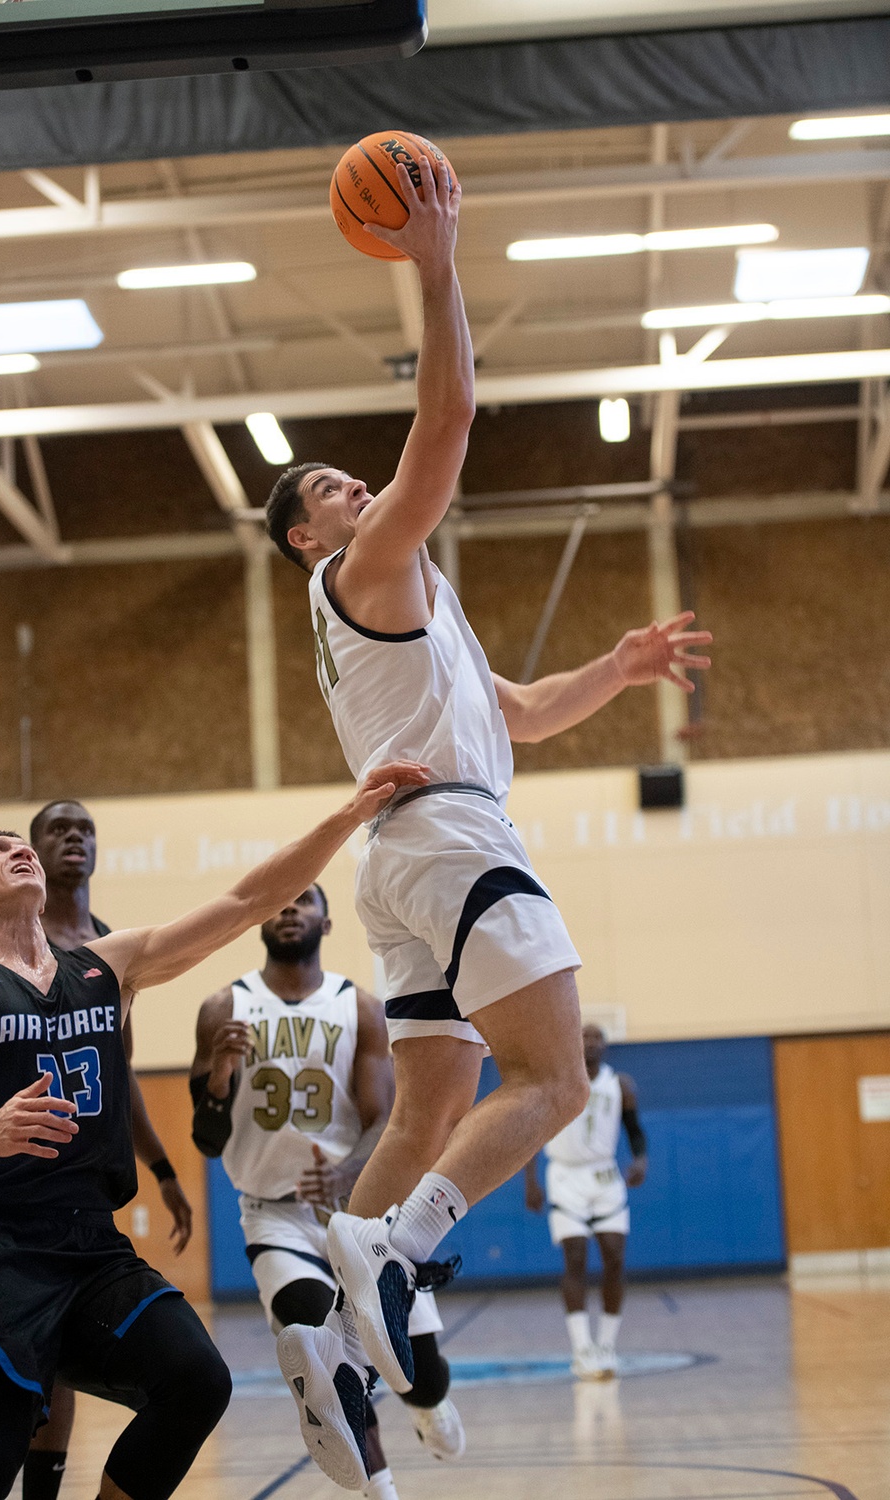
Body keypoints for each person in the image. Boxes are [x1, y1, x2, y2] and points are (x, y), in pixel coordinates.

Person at [263, 142, 711, 1484]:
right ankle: (393, 1259)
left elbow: (517, 712)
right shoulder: (369, 563)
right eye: (330, 488)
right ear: (305, 540)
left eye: (356, 477)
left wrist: (620, 674)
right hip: (454, 843)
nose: (356, 486)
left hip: (404, 859)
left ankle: (345, 1336)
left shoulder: (407, 605)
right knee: (557, 1079)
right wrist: (437, 263)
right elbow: (447, 430)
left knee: (427, 1103)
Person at [0, 759, 427, 1500]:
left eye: (24, 844)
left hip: (91, 1247)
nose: (19, 849)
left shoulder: (109, 965)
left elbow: (245, 901)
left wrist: (346, 816)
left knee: (197, 1381)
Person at [0, 798, 193, 1500]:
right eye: (54, 829)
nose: (70, 840)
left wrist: (163, 1167)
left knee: (113, 1375)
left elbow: (117, 1085)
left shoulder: (103, 955)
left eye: (84, 829)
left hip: (84, 1227)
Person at [190, 884, 464, 1495]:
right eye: (279, 901)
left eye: (304, 900)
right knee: (326, 1359)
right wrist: (220, 1079)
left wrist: (347, 1173)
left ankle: (426, 1404)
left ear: (327, 919)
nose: (289, 908)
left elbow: (384, 1118)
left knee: (425, 1377)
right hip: (275, 1217)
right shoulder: (222, 1008)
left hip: (363, 1210)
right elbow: (206, 1140)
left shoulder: (359, 1006)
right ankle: (380, 1490)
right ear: (262, 918)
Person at [524, 1023, 647, 1380]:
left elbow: (635, 1131)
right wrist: (530, 1182)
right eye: (584, 1037)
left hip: (605, 1176)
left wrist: (640, 1160)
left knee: (614, 1258)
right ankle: (581, 1349)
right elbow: (534, 1132)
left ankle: (606, 1345)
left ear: (606, 1046)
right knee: (574, 1258)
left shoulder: (621, 1085)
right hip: (564, 1176)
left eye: (597, 1038)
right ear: (573, 1043)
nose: (591, 1043)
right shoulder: (557, 1081)